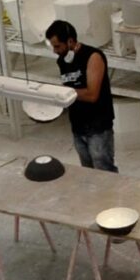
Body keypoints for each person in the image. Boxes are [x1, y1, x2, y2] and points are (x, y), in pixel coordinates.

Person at [45, 17, 117, 171]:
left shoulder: (93, 57)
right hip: (78, 125)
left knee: (103, 167)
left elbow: (92, 95)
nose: (55, 51)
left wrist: (63, 92)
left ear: (70, 41)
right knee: (87, 169)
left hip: (98, 126)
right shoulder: (62, 60)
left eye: (57, 46)